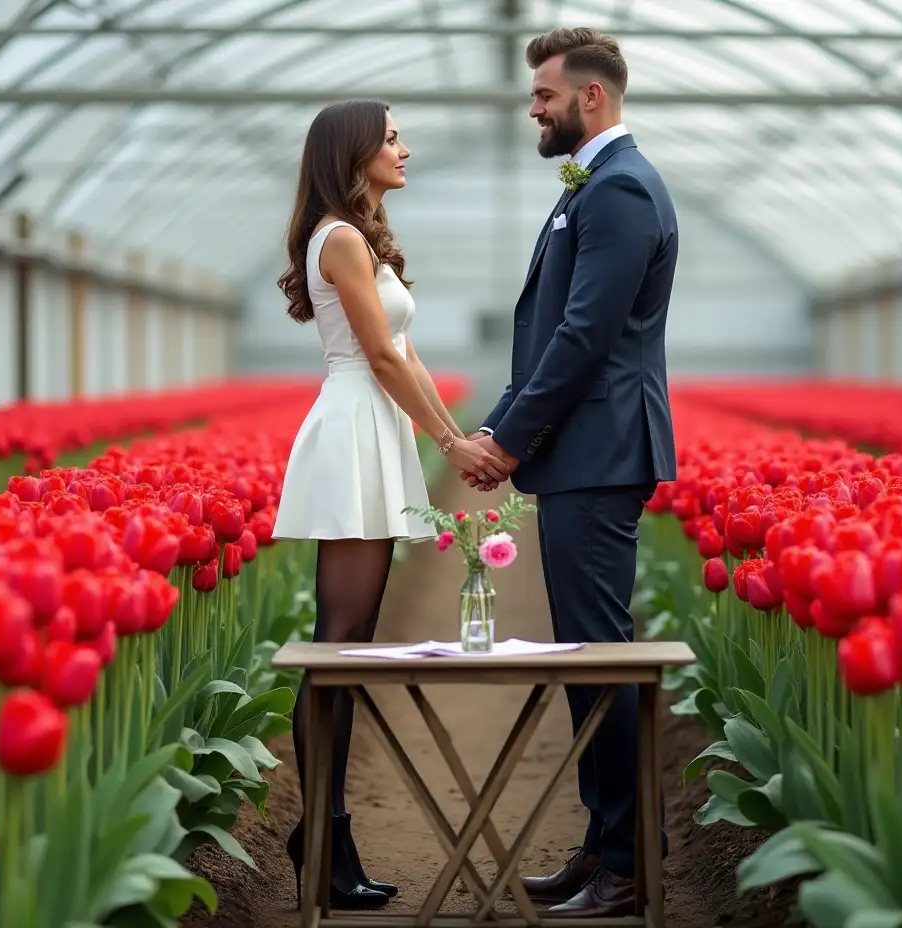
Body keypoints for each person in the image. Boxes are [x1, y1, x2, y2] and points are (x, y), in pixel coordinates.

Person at [272, 99, 511, 910]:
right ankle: (325, 835)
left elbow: (405, 351)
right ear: (355, 151)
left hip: (374, 426)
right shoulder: (338, 239)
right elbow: (377, 354)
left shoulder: (358, 236)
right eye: (393, 138)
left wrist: (459, 435)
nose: (404, 150)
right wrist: (450, 445)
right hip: (351, 428)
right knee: (338, 642)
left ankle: (327, 836)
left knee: (353, 641)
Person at [463, 28, 678, 918]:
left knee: (601, 653)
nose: (534, 110)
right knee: (587, 655)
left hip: (599, 451)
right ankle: (602, 845)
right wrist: (508, 429)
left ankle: (628, 864)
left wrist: (507, 440)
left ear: (592, 97)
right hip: (582, 453)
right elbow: (557, 331)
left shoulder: (621, 188)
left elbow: (584, 336)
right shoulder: (597, 186)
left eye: (545, 95)